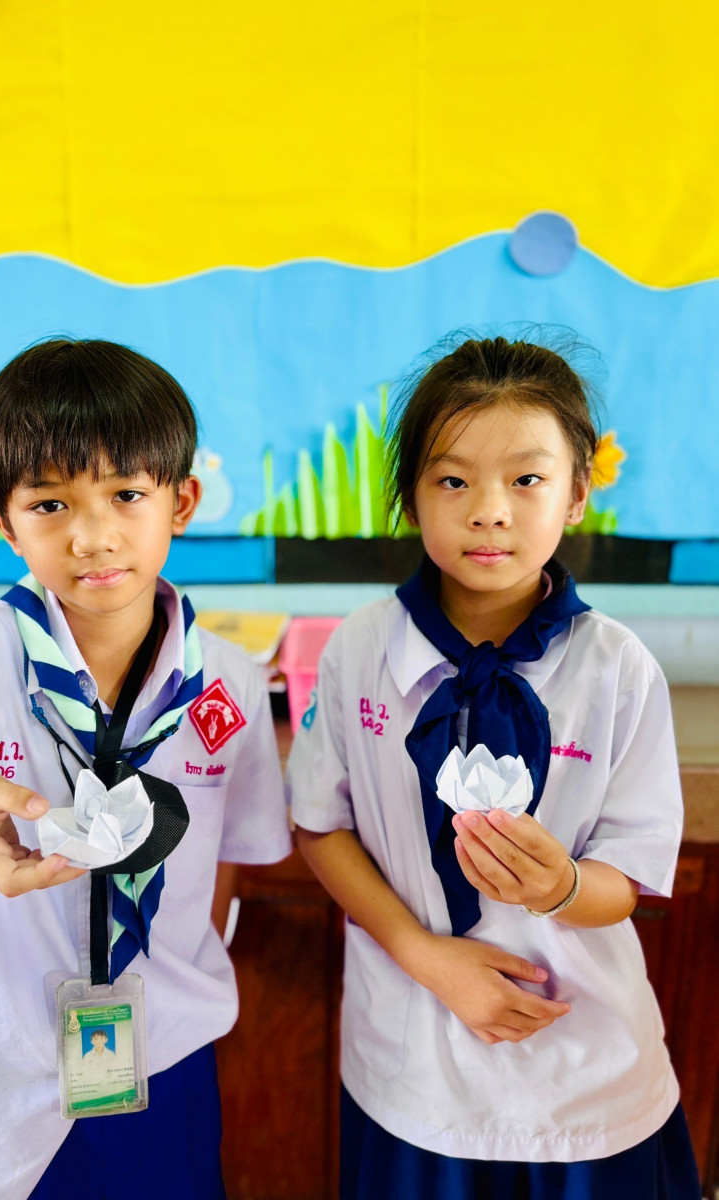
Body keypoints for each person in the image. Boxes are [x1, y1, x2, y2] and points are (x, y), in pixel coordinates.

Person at [0, 339, 291, 1200]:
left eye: (126, 495)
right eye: (49, 503)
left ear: (181, 502)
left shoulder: (230, 681)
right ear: (6, 524)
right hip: (8, 1077)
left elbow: (224, 866)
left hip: (169, 1059)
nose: (92, 536)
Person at [287, 334, 701, 1199]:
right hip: (414, 1069)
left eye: (526, 479)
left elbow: (625, 880)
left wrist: (559, 887)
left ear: (576, 494)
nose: (488, 511)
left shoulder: (617, 669)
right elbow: (321, 827)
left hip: (583, 1069)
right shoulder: (359, 649)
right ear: (411, 497)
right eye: (452, 481)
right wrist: (426, 956)